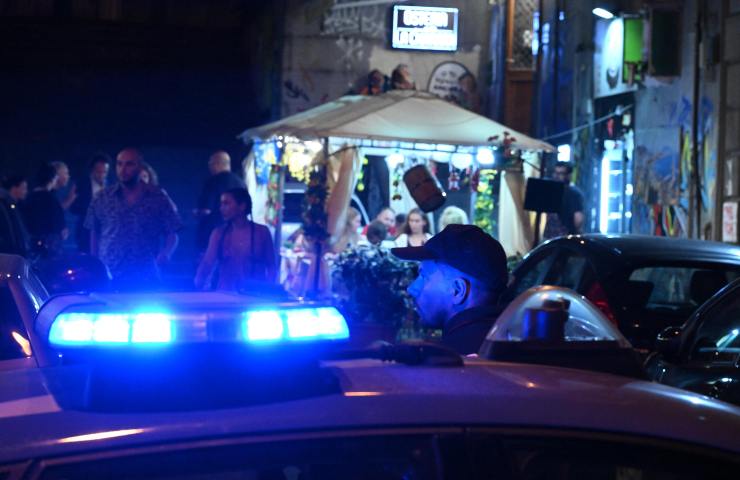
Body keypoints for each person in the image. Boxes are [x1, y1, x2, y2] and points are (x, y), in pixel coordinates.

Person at [392, 224, 508, 355]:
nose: (411, 288)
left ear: (458, 290)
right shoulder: (508, 343)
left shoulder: (448, 359)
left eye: (424, 276)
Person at [85, 148, 181, 290]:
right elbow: (94, 232)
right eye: (119, 164)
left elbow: (172, 232)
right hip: (111, 273)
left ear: (140, 167)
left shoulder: (157, 197)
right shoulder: (102, 197)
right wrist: (96, 265)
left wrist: (166, 253)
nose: (123, 169)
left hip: (145, 273)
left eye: (129, 164)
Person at [194, 188, 276, 290]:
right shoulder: (219, 234)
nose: (221, 208)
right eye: (221, 204)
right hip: (225, 293)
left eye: (226, 203)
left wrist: (269, 289)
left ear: (242, 206)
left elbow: (271, 265)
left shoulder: (261, 232)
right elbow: (207, 263)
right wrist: (198, 285)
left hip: (254, 294)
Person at [195, 151, 246, 255]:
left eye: (211, 163)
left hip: (213, 235)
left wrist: (197, 213)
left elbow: (205, 210)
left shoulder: (213, 182)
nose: (209, 167)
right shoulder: (241, 183)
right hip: (237, 235)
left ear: (219, 164)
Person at [21, 163, 67, 256]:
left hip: (30, 247)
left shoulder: (28, 198)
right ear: (52, 179)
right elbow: (62, 230)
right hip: (49, 250)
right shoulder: (52, 200)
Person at [70, 152, 110, 253]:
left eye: (104, 172)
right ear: (92, 170)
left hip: (106, 231)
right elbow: (73, 208)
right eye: (99, 172)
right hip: (86, 230)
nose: (102, 175)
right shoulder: (82, 184)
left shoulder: (110, 185)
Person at [543, 162, 585, 239]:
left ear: (569, 175)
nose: (556, 176)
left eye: (560, 173)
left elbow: (578, 220)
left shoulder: (574, 193)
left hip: (566, 237)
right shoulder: (551, 190)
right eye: (555, 173)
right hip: (550, 237)